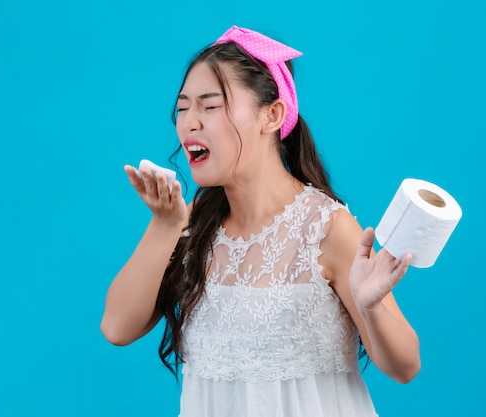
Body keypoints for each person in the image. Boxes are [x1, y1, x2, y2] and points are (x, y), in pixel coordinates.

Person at [100, 25, 420, 417]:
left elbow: (405, 366)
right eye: (183, 108)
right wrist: (165, 224)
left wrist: (371, 309)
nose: (189, 122)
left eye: (209, 105)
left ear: (272, 115)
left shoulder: (326, 227)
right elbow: (117, 328)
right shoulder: (194, 224)